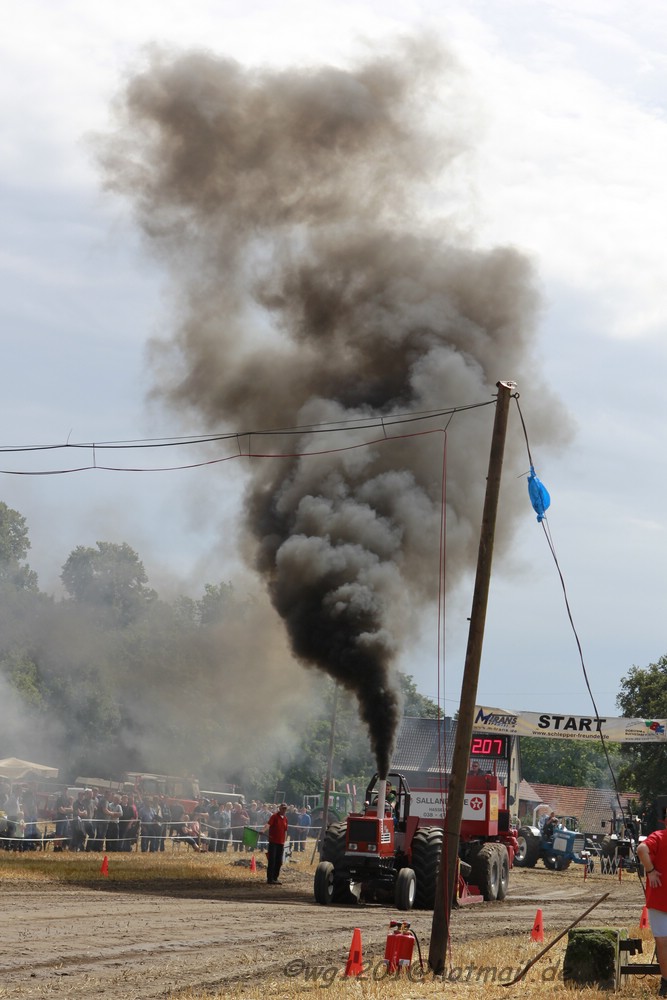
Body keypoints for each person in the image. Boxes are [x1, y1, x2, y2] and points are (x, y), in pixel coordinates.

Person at [637, 814, 667, 997]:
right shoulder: (660, 837)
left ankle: (665, 983)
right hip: (659, 899)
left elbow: (642, 849)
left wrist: (651, 871)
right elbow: (641, 849)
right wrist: (650, 871)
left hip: (658, 899)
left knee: (663, 943)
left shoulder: (659, 836)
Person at [264, 802, 289, 884]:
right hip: (273, 842)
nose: (284, 810)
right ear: (279, 808)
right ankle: (270, 879)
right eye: (282, 808)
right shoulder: (274, 816)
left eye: (285, 809)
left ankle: (275, 878)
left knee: (279, 861)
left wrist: (285, 841)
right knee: (272, 860)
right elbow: (268, 825)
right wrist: (263, 830)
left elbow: (285, 831)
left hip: (281, 843)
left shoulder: (285, 819)